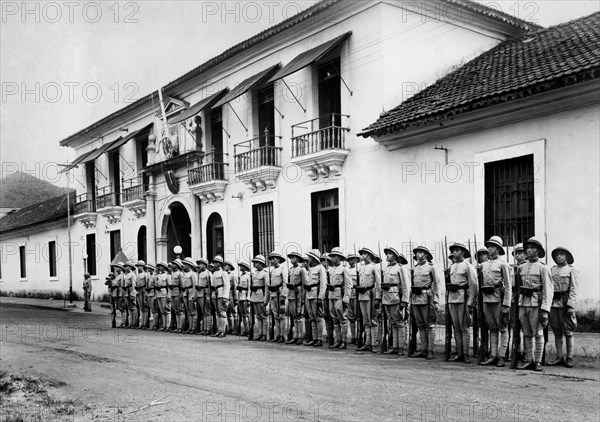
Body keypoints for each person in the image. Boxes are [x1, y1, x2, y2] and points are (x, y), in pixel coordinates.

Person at [517, 237, 553, 372]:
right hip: (523, 303)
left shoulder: (543, 268)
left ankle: (537, 361)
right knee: (526, 333)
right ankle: (529, 360)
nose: (529, 250)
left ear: (538, 250)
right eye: (528, 248)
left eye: (532, 248)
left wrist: (545, 309)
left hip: (535, 303)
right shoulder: (521, 267)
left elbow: (548, 290)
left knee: (537, 333)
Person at [479, 236, 512, 367]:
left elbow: (508, 285)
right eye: (489, 246)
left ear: (498, 249)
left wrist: (506, 304)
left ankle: (502, 356)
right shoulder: (484, 265)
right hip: (487, 299)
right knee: (492, 328)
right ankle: (493, 355)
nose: (489, 248)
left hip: (498, 298)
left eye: (492, 246)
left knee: (503, 328)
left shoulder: (503, 264)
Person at [447, 243, 478, 363]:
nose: (454, 252)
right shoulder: (452, 267)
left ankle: (465, 354)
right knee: (456, 328)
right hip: (452, 298)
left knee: (464, 327)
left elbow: (474, 286)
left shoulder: (468, 266)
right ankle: (459, 353)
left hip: (463, 298)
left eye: (457, 250)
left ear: (463, 253)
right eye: (453, 251)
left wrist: (471, 303)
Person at [548, 247, 579, 368]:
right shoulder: (552, 269)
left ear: (567, 257)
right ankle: (559, 357)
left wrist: (571, 305)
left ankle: (569, 357)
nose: (558, 257)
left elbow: (574, 288)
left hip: (566, 302)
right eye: (557, 255)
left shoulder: (572, 270)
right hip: (554, 303)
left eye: (561, 254)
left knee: (568, 331)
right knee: (556, 331)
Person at [410, 246, 440, 359]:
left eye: (420, 252)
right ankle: (423, 349)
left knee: (430, 325)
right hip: (415, 298)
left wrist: (436, 300)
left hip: (426, 298)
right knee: (420, 325)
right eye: (417, 253)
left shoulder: (431, 267)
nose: (418, 254)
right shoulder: (416, 268)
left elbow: (436, 284)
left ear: (426, 255)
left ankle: (430, 350)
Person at [382, 247, 411, 355]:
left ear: (394, 256)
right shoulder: (387, 268)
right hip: (386, 298)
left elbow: (405, 286)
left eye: (390, 254)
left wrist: (404, 300)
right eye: (387, 254)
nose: (387, 256)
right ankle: (395, 346)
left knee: (399, 323)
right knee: (392, 323)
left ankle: (401, 347)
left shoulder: (400, 268)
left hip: (395, 298)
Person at [356, 247, 381, 352]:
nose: (363, 256)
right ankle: (367, 343)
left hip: (370, 294)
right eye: (362, 254)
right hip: (362, 295)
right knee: (366, 320)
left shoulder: (374, 267)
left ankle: (374, 344)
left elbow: (378, 283)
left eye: (365, 254)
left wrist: (378, 298)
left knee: (373, 320)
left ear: (370, 256)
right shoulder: (361, 268)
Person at [327, 247, 352, 349]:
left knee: (343, 319)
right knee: (334, 319)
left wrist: (346, 299)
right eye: (331, 256)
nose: (332, 259)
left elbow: (348, 285)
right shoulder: (331, 269)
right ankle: (338, 340)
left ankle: (344, 341)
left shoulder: (344, 269)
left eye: (334, 257)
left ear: (338, 258)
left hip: (339, 296)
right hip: (331, 295)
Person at [305, 250, 327, 347]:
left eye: (309, 257)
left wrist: (320, 297)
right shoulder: (310, 269)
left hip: (316, 294)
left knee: (318, 318)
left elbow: (323, 284)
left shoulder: (320, 268)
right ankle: (314, 338)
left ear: (313, 258)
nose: (308, 259)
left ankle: (319, 339)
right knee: (312, 318)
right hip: (309, 294)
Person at [286, 252, 307, 345]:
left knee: (299, 316)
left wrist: (303, 297)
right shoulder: (290, 270)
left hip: (298, 294)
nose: (291, 260)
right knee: (294, 316)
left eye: (293, 258)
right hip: (291, 294)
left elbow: (304, 284)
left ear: (298, 259)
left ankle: (300, 337)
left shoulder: (302, 270)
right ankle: (295, 336)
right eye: (290, 258)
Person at [266, 252, 288, 343]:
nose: (271, 260)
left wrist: (283, 295)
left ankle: (283, 335)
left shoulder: (282, 270)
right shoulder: (271, 271)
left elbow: (285, 283)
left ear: (278, 259)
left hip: (280, 295)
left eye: (273, 258)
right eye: (271, 259)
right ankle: (278, 335)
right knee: (276, 315)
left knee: (282, 315)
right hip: (273, 294)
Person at [250, 255, 269, 341]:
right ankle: (260, 333)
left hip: (261, 296)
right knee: (258, 316)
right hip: (254, 296)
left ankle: (265, 334)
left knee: (263, 316)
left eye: (257, 262)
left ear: (261, 263)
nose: (255, 264)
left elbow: (267, 287)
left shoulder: (265, 273)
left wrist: (266, 299)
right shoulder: (254, 273)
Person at [211, 256, 229, 338]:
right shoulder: (214, 273)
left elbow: (227, 285)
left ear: (220, 264)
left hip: (221, 293)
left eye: (216, 262)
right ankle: (219, 330)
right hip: (215, 293)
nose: (214, 264)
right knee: (217, 313)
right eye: (214, 262)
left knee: (222, 313)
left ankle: (223, 331)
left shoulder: (224, 273)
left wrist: (225, 296)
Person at [181, 258, 198, 334]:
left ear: (189, 265)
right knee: (188, 311)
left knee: (193, 312)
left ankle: (193, 328)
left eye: (185, 264)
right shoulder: (184, 274)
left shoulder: (193, 274)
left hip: (191, 293)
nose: (183, 266)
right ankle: (190, 327)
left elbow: (195, 285)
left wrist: (194, 295)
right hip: (185, 293)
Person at [196, 258, 212, 335]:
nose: (200, 265)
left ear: (205, 265)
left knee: (207, 312)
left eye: (201, 264)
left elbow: (210, 285)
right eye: (199, 264)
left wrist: (209, 295)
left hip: (205, 293)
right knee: (203, 312)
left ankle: (208, 329)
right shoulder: (199, 273)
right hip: (199, 293)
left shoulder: (208, 273)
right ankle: (204, 328)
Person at [347, 253, 359, 345]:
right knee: (351, 317)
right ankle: (353, 337)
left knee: (358, 316)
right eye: (349, 259)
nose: (351, 261)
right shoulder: (346, 270)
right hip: (349, 294)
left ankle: (358, 337)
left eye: (352, 259)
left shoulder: (358, 269)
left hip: (356, 293)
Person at [224, 261, 239, 335]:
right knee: (227, 313)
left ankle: (235, 329)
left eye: (226, 266)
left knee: (234, 312)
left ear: (229, 267)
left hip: (231, 294)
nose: (224, 267)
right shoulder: (224, 274)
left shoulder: (233, 276)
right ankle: (230, 328)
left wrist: (236, 298)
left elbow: (235, 288)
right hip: (225, 294)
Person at [237, 262, 251, 336]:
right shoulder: (241, 276)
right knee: (242, 315)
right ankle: (246, 330)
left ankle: (250, 330)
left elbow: (249, 288)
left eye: (241, 266)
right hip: (240, 297)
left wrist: (248, 299)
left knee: (247, 314)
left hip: (245, 297)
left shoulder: (248, 276)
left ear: (244, 267)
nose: (240, 267)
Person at [169, 259, 184, 333]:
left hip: (177, 291)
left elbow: (182, 285)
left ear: (177, 265)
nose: (172, 265)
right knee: (175, 310)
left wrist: (181, 294)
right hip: (172, 292)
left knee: (179, 310)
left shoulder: (179, 274)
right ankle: (177, 326)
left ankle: (180, 327)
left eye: (174, 264)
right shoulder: (172, 273)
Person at [155, 262, 170, 331]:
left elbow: (169, 286)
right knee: (162, 311)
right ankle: (164, 325)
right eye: (160, 266)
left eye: (162, 266)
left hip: (164, 292)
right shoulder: (158, 275)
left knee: (166, 310)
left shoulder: (167, 275)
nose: (160, 267)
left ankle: (168, 326)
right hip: (158, 293)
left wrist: (169, 295)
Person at [123, 262, 138, 329]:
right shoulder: (127, 275)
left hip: (131, 292)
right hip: (127, 293)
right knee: (129, 308)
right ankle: (131, 322)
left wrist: (132, 294)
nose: (125, 268)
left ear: (130, 267)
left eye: (127, 266)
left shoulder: (132, 275)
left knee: (133, 308)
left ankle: (134, 323)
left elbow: (133, 284)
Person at [135, 261, 148, 329]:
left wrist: (145, 293)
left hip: (143, 291)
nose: (138, 268)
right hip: (138, 291)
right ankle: (142, 323)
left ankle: (145, 323)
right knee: (141, 308)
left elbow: (146, 284)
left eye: (140, 266)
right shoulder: (137, 275)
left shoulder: (145, 274)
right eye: (138, 266)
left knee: (144, 308)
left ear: (143, 267)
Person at [145, 264, 157, 330]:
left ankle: (154, 324)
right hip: (149, 294)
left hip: (153, 294)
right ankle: (152, 324)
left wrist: (155, 296)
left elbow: (155, 286)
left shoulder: (154, 277)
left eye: (149, 268)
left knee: (154, 310)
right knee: (151, 309)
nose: (148, 269)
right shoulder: (149, 277)